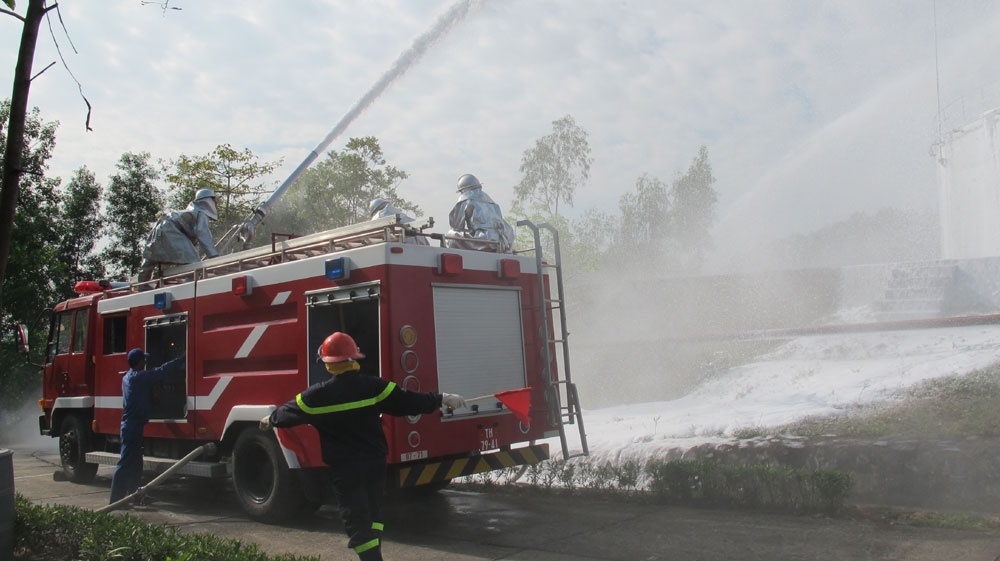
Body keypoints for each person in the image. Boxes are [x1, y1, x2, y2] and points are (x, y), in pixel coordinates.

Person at [259, 332, 465, 561]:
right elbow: (408, 401)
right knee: (373, 514)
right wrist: (441, 399)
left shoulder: (316, 396)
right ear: (354, 359)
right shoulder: (374, 386)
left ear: (327, 364)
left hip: (346, 469)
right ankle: (374, 554)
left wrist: (271, 419)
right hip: (375, 464)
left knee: (357, 520)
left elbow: (287, 413)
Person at [109, 348, 186, 504]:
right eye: (143, 359)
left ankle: (135, 496)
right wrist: (181, 359)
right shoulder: (138, 378)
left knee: (136, 463)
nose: (145, 361)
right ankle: (115, 501)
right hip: (132, 426)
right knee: (125, 463)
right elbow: (160, 371)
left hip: (132, 426)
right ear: (138, 362)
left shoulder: (127, 377)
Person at [137, 188, 221, 283]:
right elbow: (202, 234)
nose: (216, 203)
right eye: (214, 200)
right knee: (193, 263)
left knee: (152, 258)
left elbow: (192, 244)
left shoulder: (191, 213)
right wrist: (214, 257)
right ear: (209, 200)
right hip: (171, 229)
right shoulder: (201, 213)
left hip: (162, 226)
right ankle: (190, 283)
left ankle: (143, 284)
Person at [444, 174, 514, 253]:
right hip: (500, 241)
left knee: (450, 235)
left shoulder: (465, 198)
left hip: (483, 242)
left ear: (462, 190)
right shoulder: (491, 202)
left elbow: (456, 226)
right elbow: (506, 227)